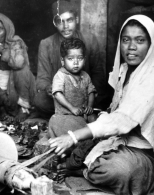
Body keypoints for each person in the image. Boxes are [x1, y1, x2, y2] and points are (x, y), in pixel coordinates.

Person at [49, 15, 154, 194]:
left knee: (118, 170)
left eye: (140, 40)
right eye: (126, 40)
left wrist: (74, 137)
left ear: (151, 45)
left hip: (141, 149)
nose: (131, 47)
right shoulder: (125, 70)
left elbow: (122, 120)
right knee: (60, 123)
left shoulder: (151, 77)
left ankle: (82, 170)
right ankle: (86, 162)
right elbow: (115, 111)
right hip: (117, 139)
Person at [34, 0, 106, 118]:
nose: (65, 26)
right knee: (39, 101)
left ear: (76, 20)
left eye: (69, 20)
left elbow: (98, 74)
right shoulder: (46, 44)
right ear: (55, 23)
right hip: (61, 96)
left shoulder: (90, 40)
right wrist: (49, 88)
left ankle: (77, 112)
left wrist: (89, 97)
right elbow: (42, 79)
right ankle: (73, 113)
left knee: (104, 96)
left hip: (85, 94)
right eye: (60, 22)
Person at [48, 38, 96, 138]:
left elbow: (91, 91)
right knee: (69, 127)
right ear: (62, 60)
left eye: (80, 58)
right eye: (70, 59)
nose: (76, 62)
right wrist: (72, 108)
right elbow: (57, 94)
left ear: (85, 59)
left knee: (96, 121)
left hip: (82, 114)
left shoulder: (85, 76)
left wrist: (90, 107)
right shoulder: (60, 75)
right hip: (66, 115)